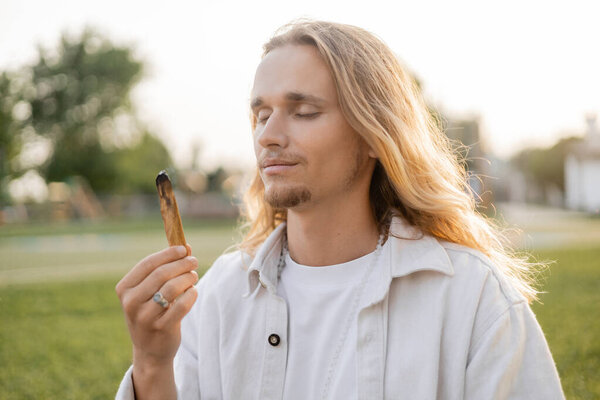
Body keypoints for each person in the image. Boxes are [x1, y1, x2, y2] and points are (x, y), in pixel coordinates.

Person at [115, 20, 565, 400]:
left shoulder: (473, 299)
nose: (268, 134)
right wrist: (152, 364)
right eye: (260, 114)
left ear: (374, 134)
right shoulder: (218, 297)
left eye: (304, 111)